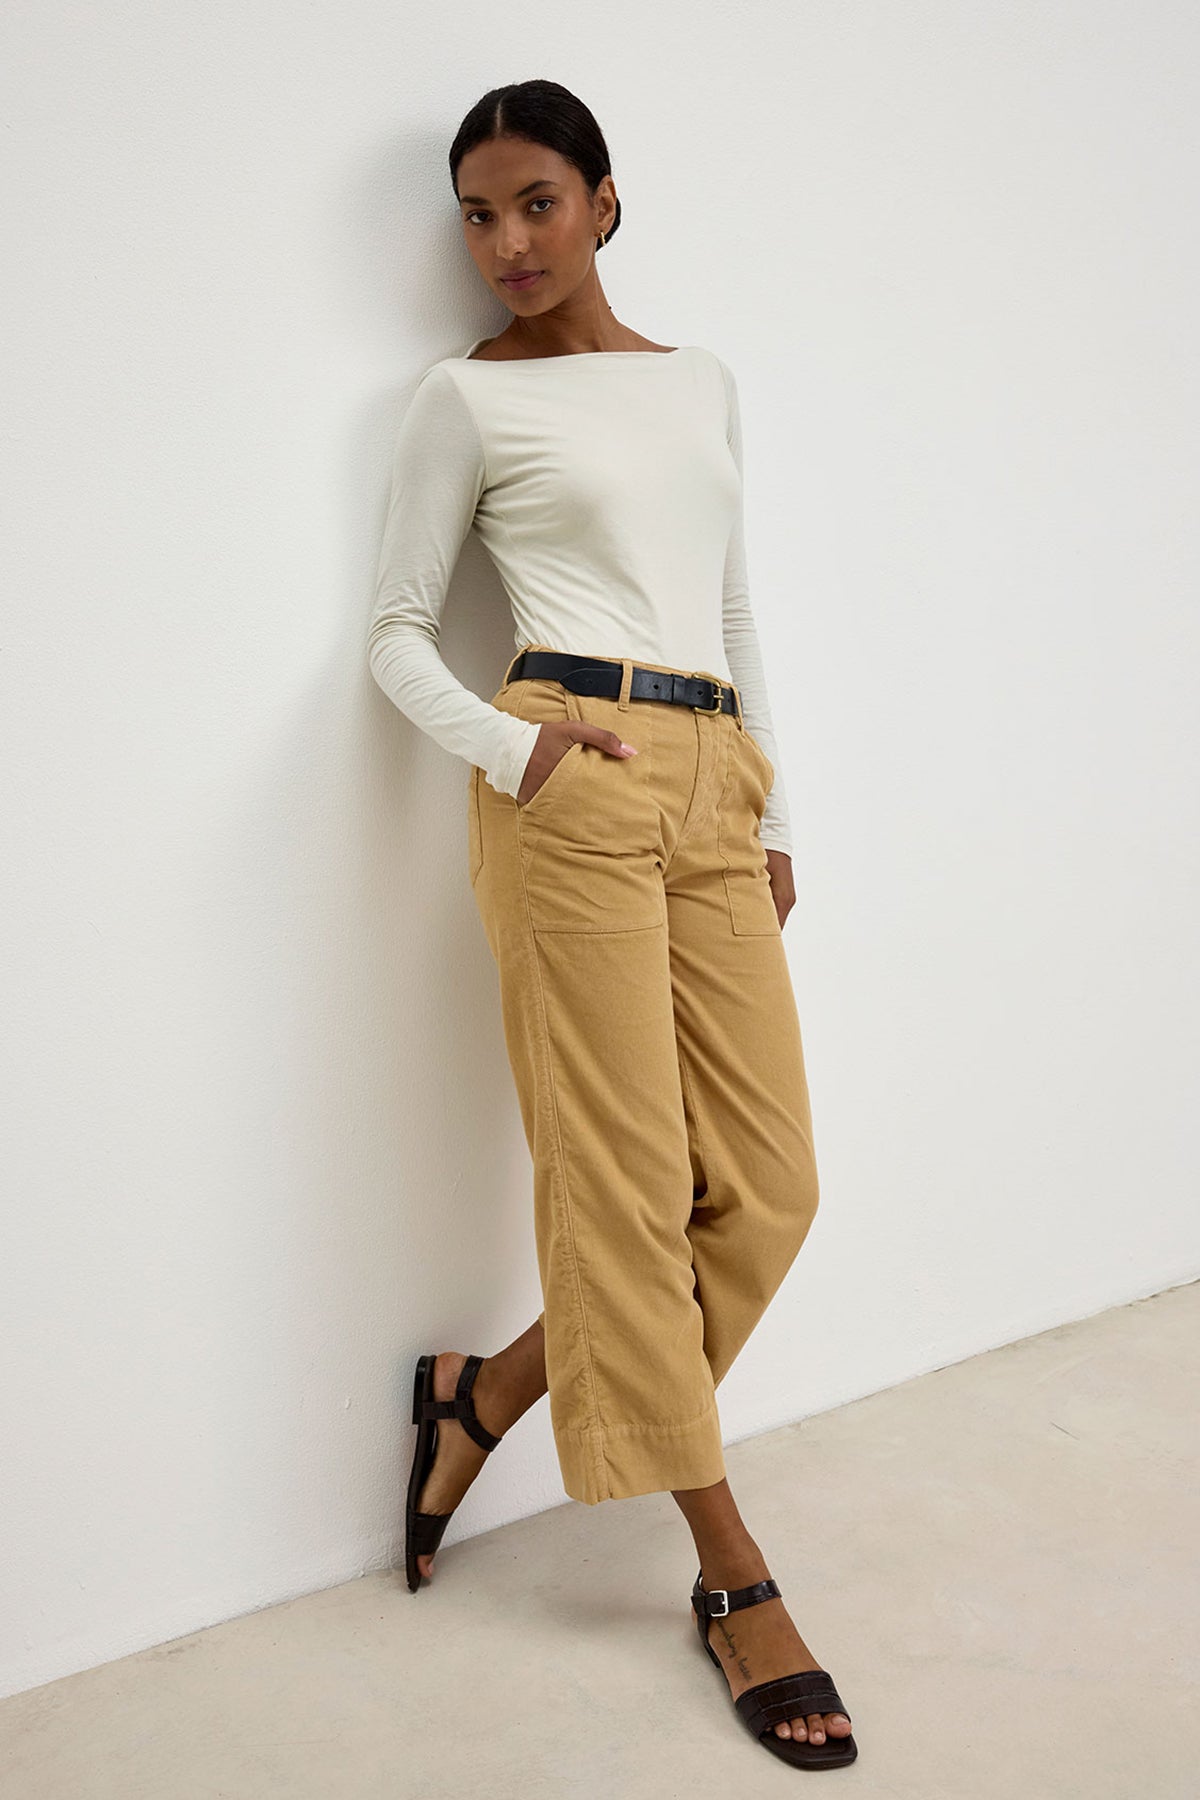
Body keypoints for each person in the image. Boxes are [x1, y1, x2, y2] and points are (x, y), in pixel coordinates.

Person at [366, 78, 856, 1771]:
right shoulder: (464, 401)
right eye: (479, 216)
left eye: (537, 203)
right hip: (564, 768)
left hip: (714, 775)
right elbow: (395, 634)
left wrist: (771, 809)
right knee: (628, 1192)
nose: (506, 242)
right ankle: (732, 1578)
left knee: (770, 1185)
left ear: (606, 201)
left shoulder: (700, 381)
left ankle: (485, 1396)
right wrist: (521, 755)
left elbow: (728, 596)